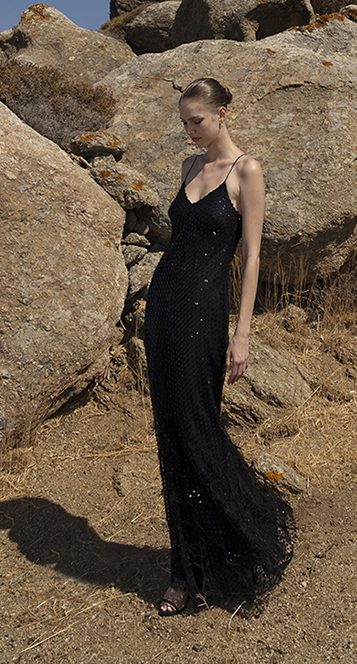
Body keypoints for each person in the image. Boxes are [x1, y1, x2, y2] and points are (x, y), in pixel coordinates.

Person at [144, 76, 295, 615]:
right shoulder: (189, 168)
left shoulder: (245, 171)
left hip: (203, 317)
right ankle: (186, 570)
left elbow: (251, 257)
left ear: (223, 113)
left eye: (196, 121)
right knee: (171, 439)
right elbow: (179, 243)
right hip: (161, 311)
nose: (188, 131)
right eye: (184, 122)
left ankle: (255, 524)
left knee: (200, 430)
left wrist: (243, 333)